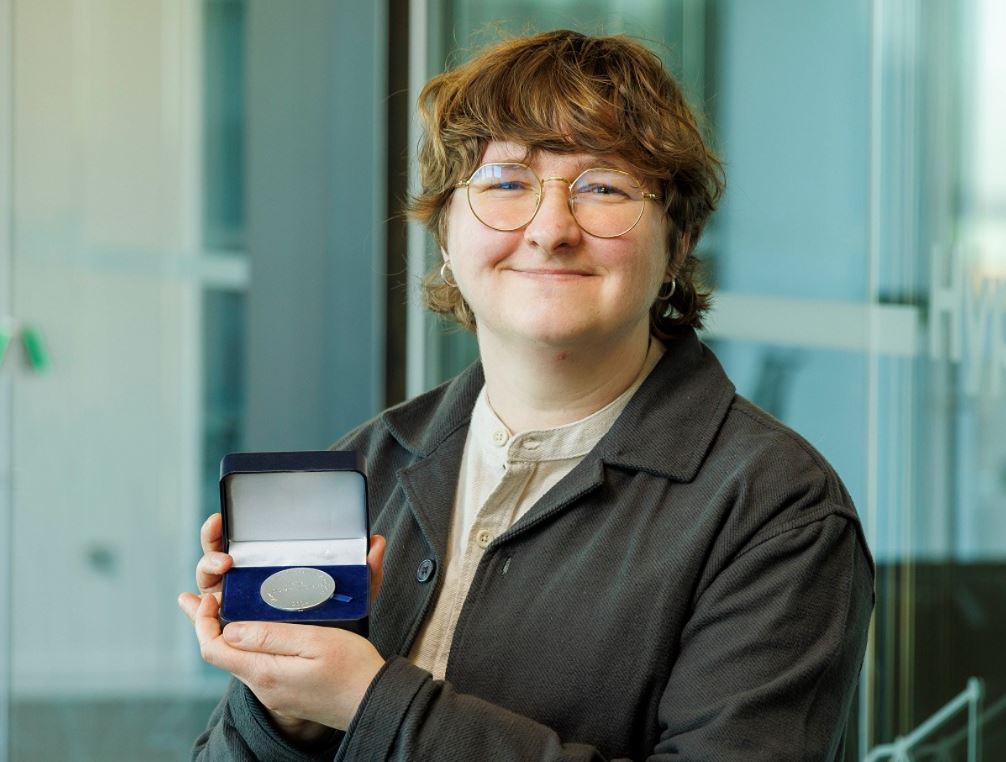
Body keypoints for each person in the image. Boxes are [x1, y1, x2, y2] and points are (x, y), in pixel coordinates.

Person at [178, 29, 874, 761]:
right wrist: (288, 710)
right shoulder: (368, 463)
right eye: (506, 183)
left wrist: (372, 703)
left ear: (677, 241)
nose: (550, 230)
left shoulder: (777, 511)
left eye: (602, 187)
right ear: (445, 232)